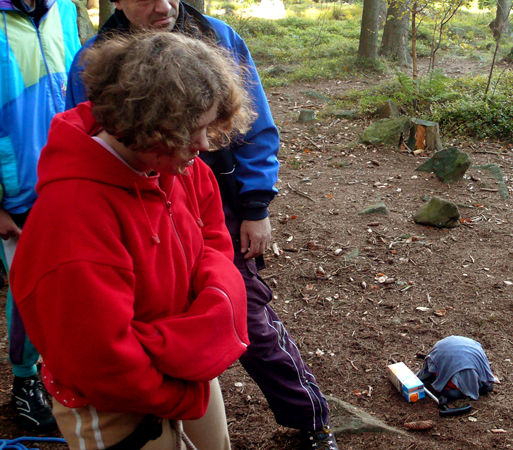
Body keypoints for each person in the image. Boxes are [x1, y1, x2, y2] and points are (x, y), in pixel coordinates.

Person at [65, 1, 338, 449]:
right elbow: (93, 145)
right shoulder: (93, 61)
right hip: (136, 220)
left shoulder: (218, 37)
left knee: (248, 317)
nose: (164, 5)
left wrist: (256, 205)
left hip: (220, 206)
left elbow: (255, 127)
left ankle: (310, 419)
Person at [10, 32, 251, 449]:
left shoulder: (178, 164)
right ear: (145, 124)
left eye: (208, 127)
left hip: (182, 368)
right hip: (111, 400)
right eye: (192, 131)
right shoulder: (73, 218)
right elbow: (99, 360)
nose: (203, 145)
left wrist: (192, 336)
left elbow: (214, 247)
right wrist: (181, 390)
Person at [0, 0, 80, 431]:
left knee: (74, 277)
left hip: (72, 174)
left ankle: (69, 368)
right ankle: (25, 379)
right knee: (27, 290)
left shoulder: (65, 9)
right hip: (16, 191)